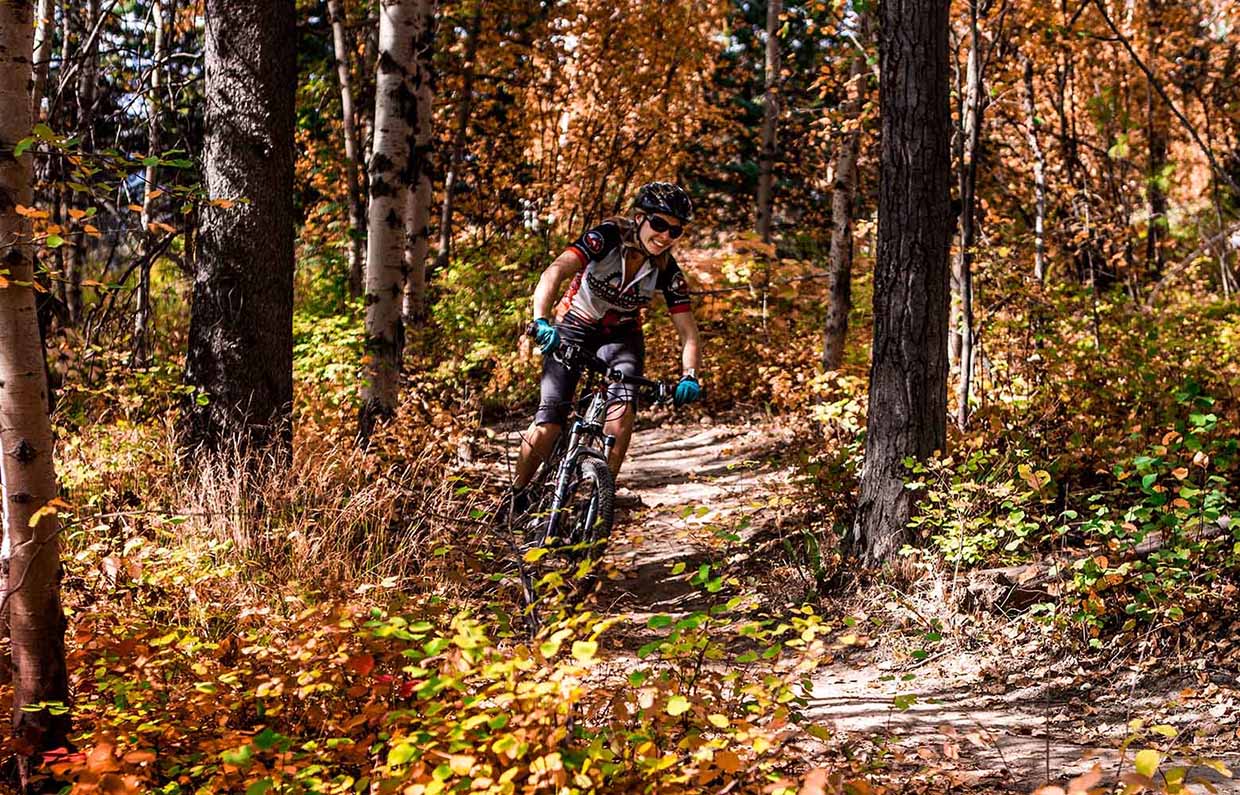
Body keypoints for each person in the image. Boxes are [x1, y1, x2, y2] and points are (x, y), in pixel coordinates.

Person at [510, 182, 703, 503]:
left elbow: (688, 331)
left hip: (622, 337)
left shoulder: (667, 270)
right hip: (575, 324)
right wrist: (541, 320)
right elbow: (554, 272)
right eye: (659, 224)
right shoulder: (606, 237)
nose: (665, 235)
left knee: (622, 412)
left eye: (675, 230)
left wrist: (690, 375)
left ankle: (601, 500)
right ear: (640, 218)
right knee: (550, 422)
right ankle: (515, 494)